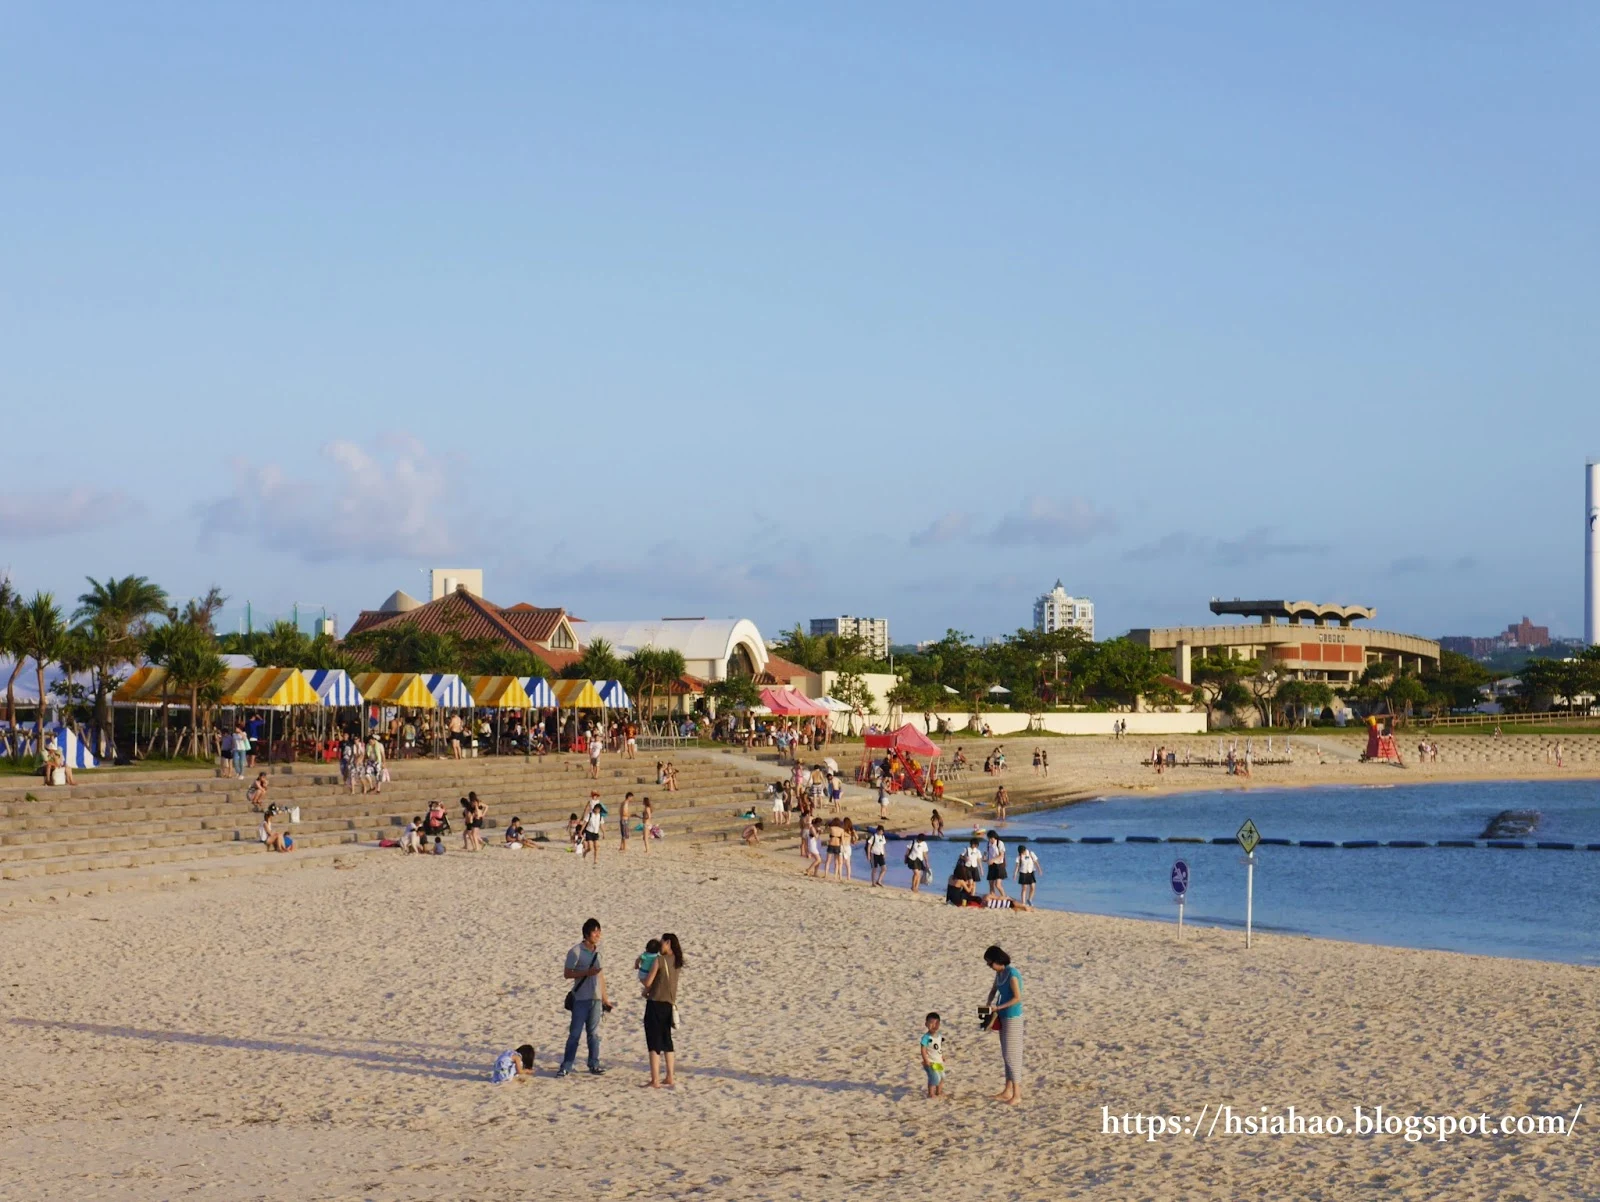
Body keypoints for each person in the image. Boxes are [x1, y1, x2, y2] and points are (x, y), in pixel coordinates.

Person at [558, 918, 612, 1077]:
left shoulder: (598, 953)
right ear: (587, 934)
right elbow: (567, 974)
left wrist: (605, 999)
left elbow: (601, 976)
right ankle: (566, 1066)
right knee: (574, 1034)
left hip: (596, 999)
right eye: (595, 932)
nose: (598, 935)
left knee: (593, 1034)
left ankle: (594, 1064)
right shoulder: (575, 951)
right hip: (581, 999)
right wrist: (586, 973)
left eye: (599, 932)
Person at [640, 932, 682, 1088]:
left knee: (653, 1042)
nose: (660, 946)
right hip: (669, 1004)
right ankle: (670, 1076)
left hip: (655, 1003)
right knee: (667, 1040)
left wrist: (642, 980)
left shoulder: (660, 960)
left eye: (662, 942)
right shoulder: (677, 961)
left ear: (668, 942)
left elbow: (648, 982)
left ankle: (655, 1080)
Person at [983, 946, 1024, 1104]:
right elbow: (994, 990)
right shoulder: (1000, 974)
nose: (989, 966)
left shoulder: (1012, 974)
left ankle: (1017, 1094)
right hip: (1002, 1015)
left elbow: (1017, 997)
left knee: (1012, 1054)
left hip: (1013, 1016)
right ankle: (1007, 1090)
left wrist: (998, 1007)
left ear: (998, 960)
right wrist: (988, 1003)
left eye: (990, 963)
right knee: (1006, 1054)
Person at [920, 1012, 945, 1099]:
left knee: (942, 1077)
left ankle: (939, 1091)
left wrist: (942, 1056)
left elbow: (938, 1047)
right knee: (934, 1077)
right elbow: (923, 1049)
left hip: (938, 1061)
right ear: (926, 1024)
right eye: (931, 1023)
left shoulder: (939, 1035)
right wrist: (926, 1060)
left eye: (936, 1023)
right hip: (930, 1062)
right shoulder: (926, 1037)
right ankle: (930, 1093)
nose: (934, 1025)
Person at [1016, 840, 1041, 906]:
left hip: (1031, 872)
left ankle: (1029, 899)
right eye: (1021, 852)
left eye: (1022, 852)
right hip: (1023, 873)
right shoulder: (1019, 857)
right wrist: (1015, 874)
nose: (1022, 853)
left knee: (1033, 887)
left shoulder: (1031, 853)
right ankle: (1023, 902)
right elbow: (1017, 866)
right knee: (1024, 888)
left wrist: (1039, 869)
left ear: (1024, 850)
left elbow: (1036, 862)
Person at [582, 793, 604, 866]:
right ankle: (585, 851)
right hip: (589, 831)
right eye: (597, 809)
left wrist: (604, 833)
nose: (597, 810)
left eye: (599, 809)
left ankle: (595, 860)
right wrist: (581, 831)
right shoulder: (590, 814)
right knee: (590, 848)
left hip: (595, 832)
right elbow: (585, 823)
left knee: (596, 847)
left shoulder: (600, 816)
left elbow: (601, 825)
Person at [986, 831, 1008, 898]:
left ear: (994, 837)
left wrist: (993, 860)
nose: (990, 840)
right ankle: (993, 897)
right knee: (991, 884)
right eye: (989, 838)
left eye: (991, 838)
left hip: (999, 865)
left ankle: (1004, 897)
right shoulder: (988, 843)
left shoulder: (999, 843)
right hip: (991, 866)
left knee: (997, 885)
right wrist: (985, 858)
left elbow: (1001, 855)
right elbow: (988, 854)